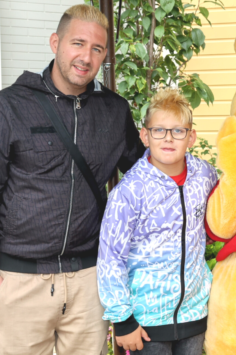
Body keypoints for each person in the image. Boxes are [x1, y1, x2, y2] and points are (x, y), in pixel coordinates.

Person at [0, 4, 144, 355]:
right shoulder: (9, 105)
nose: (86, 57)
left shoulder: (114, 111)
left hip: (90, 280)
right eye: (77, 43)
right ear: (55, 42)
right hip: (22, 282)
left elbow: (144, 174)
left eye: (97, 49)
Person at [97, 88, 218, 355]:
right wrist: (123, 320)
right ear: (144, 135)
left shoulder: (205, 176)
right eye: (159, 130)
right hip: (147, 321)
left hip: (194, 313)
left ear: (191, 137)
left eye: (178, 131)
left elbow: (219, 219)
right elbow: (110, 258)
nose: (168, 138)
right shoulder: (129, 191)